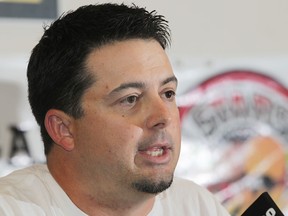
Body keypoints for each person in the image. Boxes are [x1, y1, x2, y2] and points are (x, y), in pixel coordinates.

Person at [0, 3, 230, 216]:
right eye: (130, 99)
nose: (163, 117)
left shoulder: (198, 207)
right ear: (64, 129)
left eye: (168, 93)